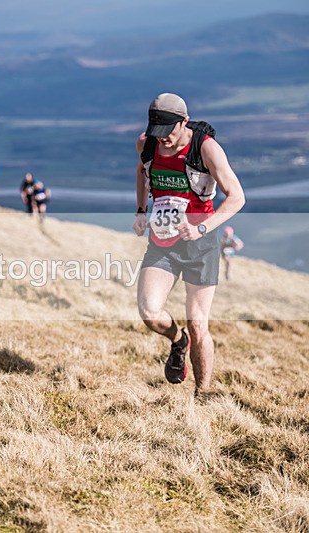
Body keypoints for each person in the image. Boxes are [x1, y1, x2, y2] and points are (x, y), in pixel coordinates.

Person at [133, 93, 245, 398]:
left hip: (201, 245)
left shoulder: (206, 148)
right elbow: (143, 173)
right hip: (162, 243)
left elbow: (236, 196)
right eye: (157, 132)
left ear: (183, 122)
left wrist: (202, 228)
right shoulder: (148, 143)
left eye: (168, 131)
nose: (163, 139)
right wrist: (142, 211)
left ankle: (202, 394)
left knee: (198, 323)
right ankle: (178, 341)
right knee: (149, 312)